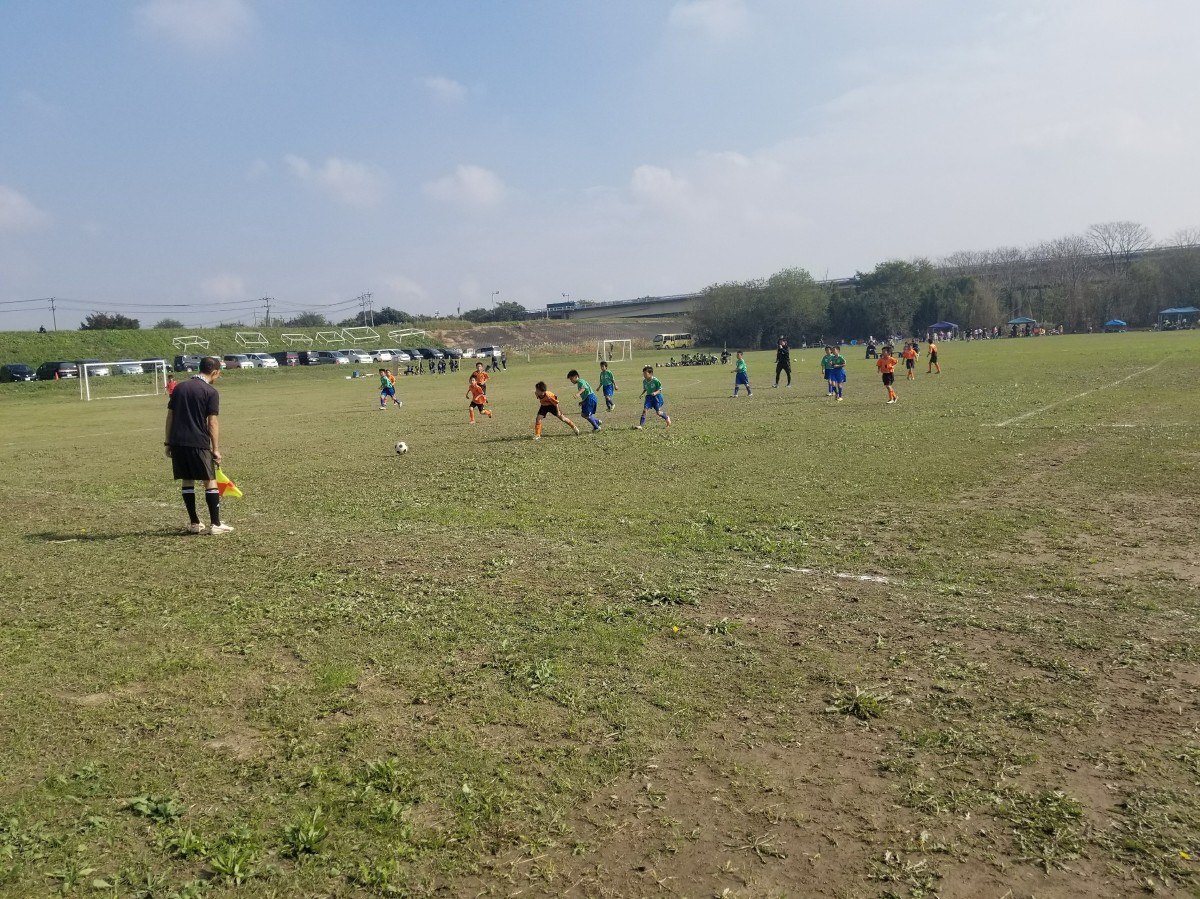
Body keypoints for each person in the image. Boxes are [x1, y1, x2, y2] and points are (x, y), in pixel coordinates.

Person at [164, 356, 232, 535]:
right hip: (198, 441)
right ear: (214, 372)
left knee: (187, 479)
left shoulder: (179, 388)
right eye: (218, 374)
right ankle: (215, 524)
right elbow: (212, 423)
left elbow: (170, 416)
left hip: (178, 442)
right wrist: (216, 449)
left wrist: (168, 442)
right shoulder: (210, 392)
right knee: (209, 480)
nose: (218, 377)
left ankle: (194, 523)